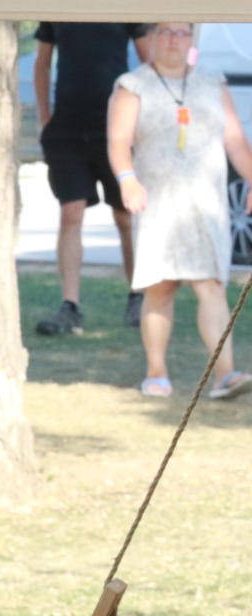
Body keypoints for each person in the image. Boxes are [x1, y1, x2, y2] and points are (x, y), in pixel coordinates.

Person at [109, 21, 252, 399]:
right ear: (152, 38)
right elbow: (119, 141)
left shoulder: (213, 82)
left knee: (211, 284)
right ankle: (156, 372)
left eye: (182, 32)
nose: (174, 39)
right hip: (158, 201)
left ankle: (225, 375)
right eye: (166, 32)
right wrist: (127, 179)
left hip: (206, 204)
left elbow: (235, 139)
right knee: (161, 287)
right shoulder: (132, 85)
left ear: (192, 39)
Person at [33, 21, 150, 334]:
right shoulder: (58, 7)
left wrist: (140, 122)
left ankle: (138, 295)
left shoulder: (125, 4)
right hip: (68, 127)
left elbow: (148, 64)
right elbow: (42, 63)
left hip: (115, 127)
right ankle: (70, 306)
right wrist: (45, 119)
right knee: (71, 213)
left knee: (125, 216)